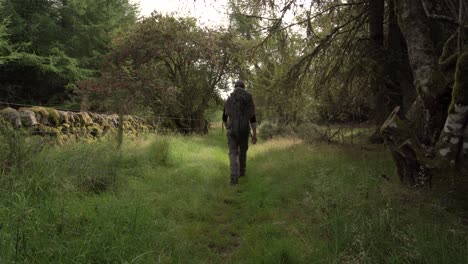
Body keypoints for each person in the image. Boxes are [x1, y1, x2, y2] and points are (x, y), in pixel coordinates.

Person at [222, 80, 257, 185]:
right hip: (245, 130)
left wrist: (227, 125)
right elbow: (253, 119)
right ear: (244, 88)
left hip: (232, 131)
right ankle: (242, 172)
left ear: (234, 87)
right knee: (243, 151)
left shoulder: (229, 100)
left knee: (233, 152)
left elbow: (224, 117)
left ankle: (233, 177)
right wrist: (254, 134)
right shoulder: (249, 101)